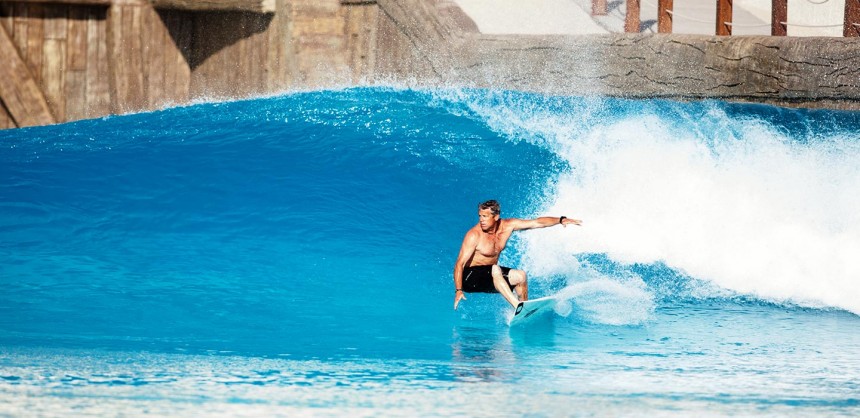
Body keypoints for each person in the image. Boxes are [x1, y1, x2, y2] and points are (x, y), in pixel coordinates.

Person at [453, 200, 581, 311]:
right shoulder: (474, 235)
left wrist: (560, 220)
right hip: (468, 279)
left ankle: (524, 311)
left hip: (490, 275)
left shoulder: (508, 225)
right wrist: (458, 290)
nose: (481, 220)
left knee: (521, 276)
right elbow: (459, 264)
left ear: (496, 216)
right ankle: (518, 306)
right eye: (480, 216)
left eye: (485, 216)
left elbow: (536, 223)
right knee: (495, 269)